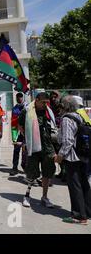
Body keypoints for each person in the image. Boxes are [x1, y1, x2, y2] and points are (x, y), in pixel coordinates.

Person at [55, 96, 91, 225]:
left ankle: (79, 216)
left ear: (65, 106)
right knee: (84, 184)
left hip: (72, 157)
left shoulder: (67, 119)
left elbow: (68, 140)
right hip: (83, 156)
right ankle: (87, 211)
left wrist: (60, 155)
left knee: (75, 186)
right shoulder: (80, 116)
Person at [19, 92, 57, 209]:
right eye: (43, 102)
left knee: (47, 172)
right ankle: (27, 195)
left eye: (47, 102)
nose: (45, 104)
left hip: (47, 147)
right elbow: (20, 126)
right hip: (34, 146)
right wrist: (27, 139)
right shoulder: (27, 110)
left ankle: (44, 197)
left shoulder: (48, 111)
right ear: (36, 100)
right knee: (31, 172)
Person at [10, 93, 27, 176]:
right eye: (18, 97)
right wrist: (13, 136)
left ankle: (24, 166)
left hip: (26, 132)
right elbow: (13, 123)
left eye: (20, 97)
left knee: (25, 151)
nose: (19, 98)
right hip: (17, 132)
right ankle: (14, 168)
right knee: (16, 150)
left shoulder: (27, 107)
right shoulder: (14, 109)